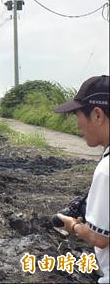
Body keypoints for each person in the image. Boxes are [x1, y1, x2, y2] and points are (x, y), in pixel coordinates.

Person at [54, 75, 109, 283]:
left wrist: (73, 225)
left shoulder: (106, 170)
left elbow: (100, 238)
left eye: (78, 115)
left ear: (97, 115)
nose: (77, 125)